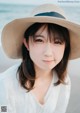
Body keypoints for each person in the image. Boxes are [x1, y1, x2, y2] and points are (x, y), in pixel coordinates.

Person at [0, 4, 80, 113]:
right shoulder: (5, 84)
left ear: (65, 47)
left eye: (57, 42)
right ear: (27, 44)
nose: (48, 53)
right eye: (39, 40)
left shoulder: (64, 81)